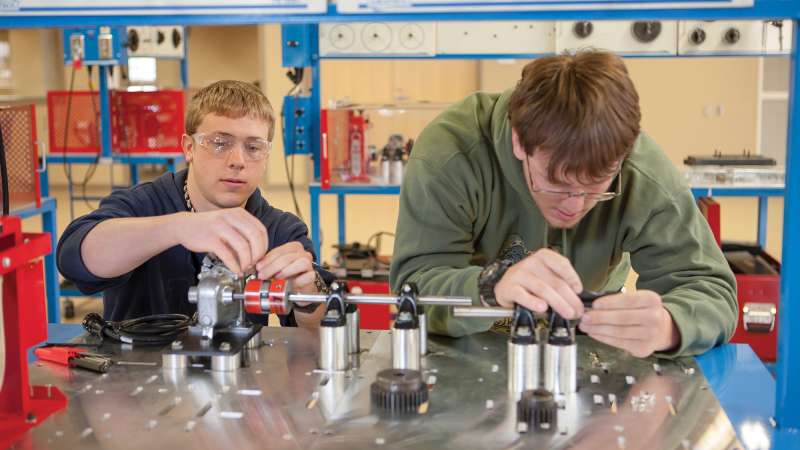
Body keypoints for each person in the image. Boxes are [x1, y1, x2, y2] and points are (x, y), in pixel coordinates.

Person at [390, 50, 737, 358]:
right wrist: (490, 287)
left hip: (585, 353)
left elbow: (711, 290)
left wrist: (669, 325)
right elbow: (415, 285)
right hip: (466, 353)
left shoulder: (641, 171)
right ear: (518, 142)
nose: (575, 205)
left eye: (595, 188)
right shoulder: (450, 154)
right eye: (556, 184)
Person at [58, 80, 326, 328]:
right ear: (189, 148)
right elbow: (73, 258)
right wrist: (178, 228)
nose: (238, 161)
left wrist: (306, 295)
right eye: (220, 143)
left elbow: (315, 328)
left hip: (237, 374)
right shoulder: (143, 205)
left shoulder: (279, 229)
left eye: (253, 148)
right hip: (139, 370)